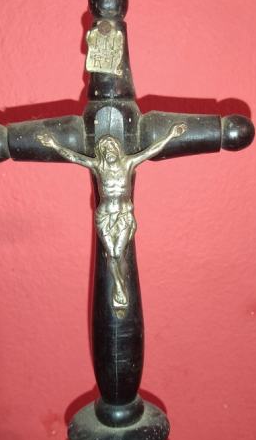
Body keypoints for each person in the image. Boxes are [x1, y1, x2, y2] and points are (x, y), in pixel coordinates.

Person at [37, 122, 187, 315]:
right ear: (101, 152)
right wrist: (53, 145)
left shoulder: (128, 163)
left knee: (118, 252)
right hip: (105, 216)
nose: (108, 152)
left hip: (123, 215)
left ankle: (119, 286)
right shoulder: (97, 166)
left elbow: (151, 151)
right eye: (105, 149)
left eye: (111, 148)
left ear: (117, 149)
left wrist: (171, 135)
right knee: (112, 254)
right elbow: (75, 157)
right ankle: (119, 284)